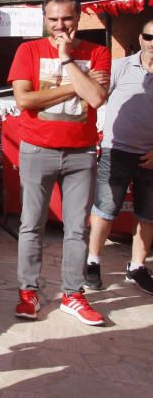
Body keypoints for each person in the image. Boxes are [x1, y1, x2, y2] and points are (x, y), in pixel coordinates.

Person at [8, 0, 110, 325]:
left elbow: (96, 97)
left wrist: (67, 61)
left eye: (66, 18)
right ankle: (29, 292)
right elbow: (24, 100)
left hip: (81, 153)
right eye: (52, 19)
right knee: (31, 225)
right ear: (44, 19)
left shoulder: (98, 52)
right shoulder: (28, 51)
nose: (59, 26)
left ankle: (73, 294)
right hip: (37, 149)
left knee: (77, 228)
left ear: (78, 19)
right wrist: (73, 87)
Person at [85, 17, 153, 295]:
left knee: (149, 217)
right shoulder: (120, 67)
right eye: (150, 37)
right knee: (104, 211)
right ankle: (93, 262)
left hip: (151, 157)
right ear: (140, 39)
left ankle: (137, 267)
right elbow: (96, 97)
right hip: (116, 152)